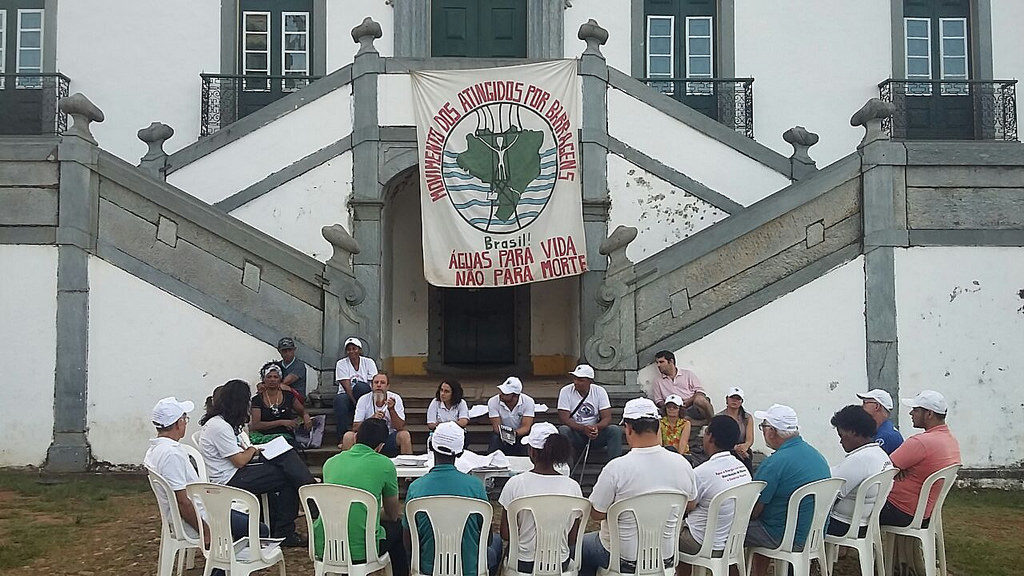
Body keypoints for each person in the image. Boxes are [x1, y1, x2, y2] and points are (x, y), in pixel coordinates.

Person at [145, 397, 269, 576]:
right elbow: (183, 502)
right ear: (179, 423)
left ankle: (226, 562)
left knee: (243, 525)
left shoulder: (156, 449)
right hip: (202, 516)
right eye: (185, 419)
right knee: (259, 530)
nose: (185, 423)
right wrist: (206, 532)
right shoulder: (171, 454)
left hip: (200, 510)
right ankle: (224, 566)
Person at [581, 398, 697, 576]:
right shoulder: (682, 464)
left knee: (578, 546)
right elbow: (690, 504)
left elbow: (596, 513)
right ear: (658, 426)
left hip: (622, 557)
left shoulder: (616, 468)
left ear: (628, 428)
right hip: (665, 556)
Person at [199, 379, 315, 546]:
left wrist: (250, 450)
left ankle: (291, 519)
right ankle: (292, 522)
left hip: (235, 473)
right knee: (288, 474)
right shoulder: (219, 426)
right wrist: (252, 450)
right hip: (229, 480)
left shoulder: (223, 423)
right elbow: (239, 461)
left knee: (287, 460)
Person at [404, 422, 503, 576]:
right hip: (469, 569)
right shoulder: (476, 487)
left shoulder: (416, 488)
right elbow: (488, 539)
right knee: (496, 542)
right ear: (459, 452)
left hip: (428, 569)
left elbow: (408, 541)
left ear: (431, 446)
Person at [314, 418, 408, 576]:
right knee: (398, 526)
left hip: (326, 544)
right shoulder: (385, 465)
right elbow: (392, 515)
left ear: (355, 437)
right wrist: (373, 511)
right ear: (380, 446)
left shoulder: (330, 463)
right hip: (364, 548)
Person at [746, 404, 830, 576]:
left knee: (727, 530)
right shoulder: (816, 456)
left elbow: (753, 511)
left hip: (783, 536)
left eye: (763, 427)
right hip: (814, 534)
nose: (763, 432)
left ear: (772, 431)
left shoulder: (774, 463)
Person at [499, 423, 584, 574]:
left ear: (532, 452)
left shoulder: (515, 484)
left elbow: (506, 533)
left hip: (523, 563)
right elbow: (572, 538)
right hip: (560, 563)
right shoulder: (573, 487)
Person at [677, 415, 752, 576]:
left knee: (665, 534)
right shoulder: (742, 468)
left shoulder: (703, 472)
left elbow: (687, 507)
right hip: (733, 542)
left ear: (710, 437)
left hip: (701, 543)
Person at [879, 390, 961, 528]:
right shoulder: (951, 440)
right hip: (924, 511)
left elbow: (882, 469)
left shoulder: (920, 442)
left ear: (929, 414)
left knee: (851, 509)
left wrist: (898, 468)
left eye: (915, 410)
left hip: (903, 511)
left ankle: (852, 548)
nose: (911, 413)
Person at [827, 405, 893, 537]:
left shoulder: (860, 459)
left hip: (844, 525)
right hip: (865, 522)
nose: (840, 441)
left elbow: (831, 493)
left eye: (841, 435)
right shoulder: (879, 454)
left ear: (852, 432)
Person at [557, 364, 623, 461]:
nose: (576, 382)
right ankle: (567, 469)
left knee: (614, 430)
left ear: (590, 381)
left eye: (581, 380)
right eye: (575, 379)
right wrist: (583, 429)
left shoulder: (599, 391)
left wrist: (596, 428)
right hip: (576, 433)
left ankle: (615, 467)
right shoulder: (565, 391)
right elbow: (564, 418)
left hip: (595, 434)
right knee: (563, 430)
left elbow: (607, 417)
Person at [341, 372, 412, 455]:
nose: (379, 385)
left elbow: (400, 427)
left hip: (388, 438)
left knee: (404, 435)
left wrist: (392, 410)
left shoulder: (395, 398)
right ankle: (346, 464)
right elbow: (355, 427)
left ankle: (407, 465)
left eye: (382, 383)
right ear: (371, 385)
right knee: (348, 436)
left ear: (387, 386)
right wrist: (372, 419)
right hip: (366, 440)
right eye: (376, 382)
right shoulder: (363, 399)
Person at [250, 361, 312, 445]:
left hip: (285, 437)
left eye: (275, 377)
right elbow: (256, 425)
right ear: (263, 379)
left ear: (280, 379)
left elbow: (302, 411)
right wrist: (281, 422)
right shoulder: (257, 399)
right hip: (264, 437)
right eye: (269, 377)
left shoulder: (288, 396)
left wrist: (306, 416)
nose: (272, 380)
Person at [650, 350, 713, 421]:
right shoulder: (657, 381)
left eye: (661, 362)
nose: (658, 365)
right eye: (657, 362)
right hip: (675, 409)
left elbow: (700, 391)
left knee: (700, 399)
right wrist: (671, 406)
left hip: (692, 404)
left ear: (671, 361)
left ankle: (713, 422)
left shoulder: (687, 374)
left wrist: (689, 401)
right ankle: (700, 423)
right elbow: (659, 401)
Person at [334, 337, 379, 436]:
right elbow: (347, 387)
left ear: (360, 350)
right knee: (340, 399)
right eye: (349, 349)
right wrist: (357, 404)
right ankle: (342, 436)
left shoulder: (369, 362)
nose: (351, 351)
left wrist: (364, 404)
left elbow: (374, 383)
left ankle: (366, 432)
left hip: (364, 396)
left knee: (360, 387)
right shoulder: (341, 363)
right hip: (349, 398)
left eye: (354, 349)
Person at [487, 376, 536, 456]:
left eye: (505, 394)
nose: (501, 395)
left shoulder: (529, 401)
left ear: (515, 396)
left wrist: (514, 434)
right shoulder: (493, 401)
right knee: (495, 439)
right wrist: (508, 436)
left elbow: (526, 427)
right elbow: (497, 428)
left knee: (526, 442)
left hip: (520, 434)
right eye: (502, 392)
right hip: (501, 434)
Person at [717, 387, 755, 469]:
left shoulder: (747, 417)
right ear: (727, 399)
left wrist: (745, 446)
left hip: (742, 450)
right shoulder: (719, 417)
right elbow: (717, 439)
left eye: (738, 399)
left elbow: (749, 439)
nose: (735, 401)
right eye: (732, 398)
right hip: (724, 450)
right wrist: (734, 448)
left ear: (741, 401)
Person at [857, 389, 904, 455]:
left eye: (865, 403)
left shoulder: (886, 436)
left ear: (877, 406)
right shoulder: (883, 430)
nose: (862, 407)